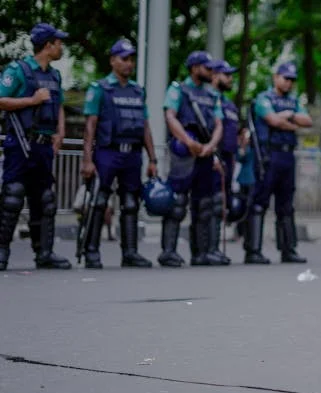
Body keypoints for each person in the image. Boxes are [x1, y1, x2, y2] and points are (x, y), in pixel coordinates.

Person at [79, 39, 157, 269]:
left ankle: (130, 253)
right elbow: (90, 126)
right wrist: (86, 159)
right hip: (107, 153)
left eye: (131, 59)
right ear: (112, 60)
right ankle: (91, 252)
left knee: (131, 203)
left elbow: (145, 127)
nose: (128, 63)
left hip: (132, 154)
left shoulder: (137, 90)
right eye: (124, 58)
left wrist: (152, 159)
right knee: (99, 201)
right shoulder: (100, 89)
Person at [0, 23, 72, 271]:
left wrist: (60, 131)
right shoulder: (18, 70)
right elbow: (1, 99)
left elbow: (58, 104)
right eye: (58, 42)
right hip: (20, 144)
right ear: (48, 45)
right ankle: (1, 253)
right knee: (12, 198)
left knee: (45, 200)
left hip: (43, 146)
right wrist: (32, 100)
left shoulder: (54, 75)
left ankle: (45, 253)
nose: (61, 46)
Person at [159, 50, 224, 267]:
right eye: (207, 67)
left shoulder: (211, 95)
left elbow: (219, 124)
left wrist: (210, 146)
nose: (211, 71)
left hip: (204, 154)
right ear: (195, 68)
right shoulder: (179, 90)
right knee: (177, 203)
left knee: (204, 205)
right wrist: (189, 142)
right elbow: (170, 117)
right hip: (184, 154)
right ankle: (169, 252)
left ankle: (200, 253)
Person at [248, 62, 312, 264]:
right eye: (286, 78)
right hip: (268, 155)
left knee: (286, 206)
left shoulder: (293, 102)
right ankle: (253, 250)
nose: (289, 83)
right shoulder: (264, 98)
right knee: (259, 203)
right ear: (276, 77)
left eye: (292, 79)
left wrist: (288, 115)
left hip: (287, 156)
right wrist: (291, 124)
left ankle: (288, 249)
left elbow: (308, 121)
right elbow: (272, 120)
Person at [206, 59, 240, 265]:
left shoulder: (229, 103)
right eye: (226, 75)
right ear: (215, 75)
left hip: (228, 158)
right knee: (211, 203)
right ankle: (207, 248)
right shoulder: (209, 99)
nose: (230, 79)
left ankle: (214, 247)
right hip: (213, 157)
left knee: (221, 205)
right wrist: (213, 155)